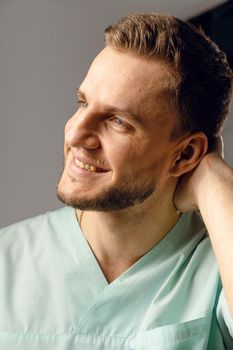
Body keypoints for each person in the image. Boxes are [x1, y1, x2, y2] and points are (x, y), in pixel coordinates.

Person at [0, 13, 233, 350]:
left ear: (184, 155)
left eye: (118, 121)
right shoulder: (7, 261)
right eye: (82, 103)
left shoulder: (217, 269)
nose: (76, 134)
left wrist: (212, 177)